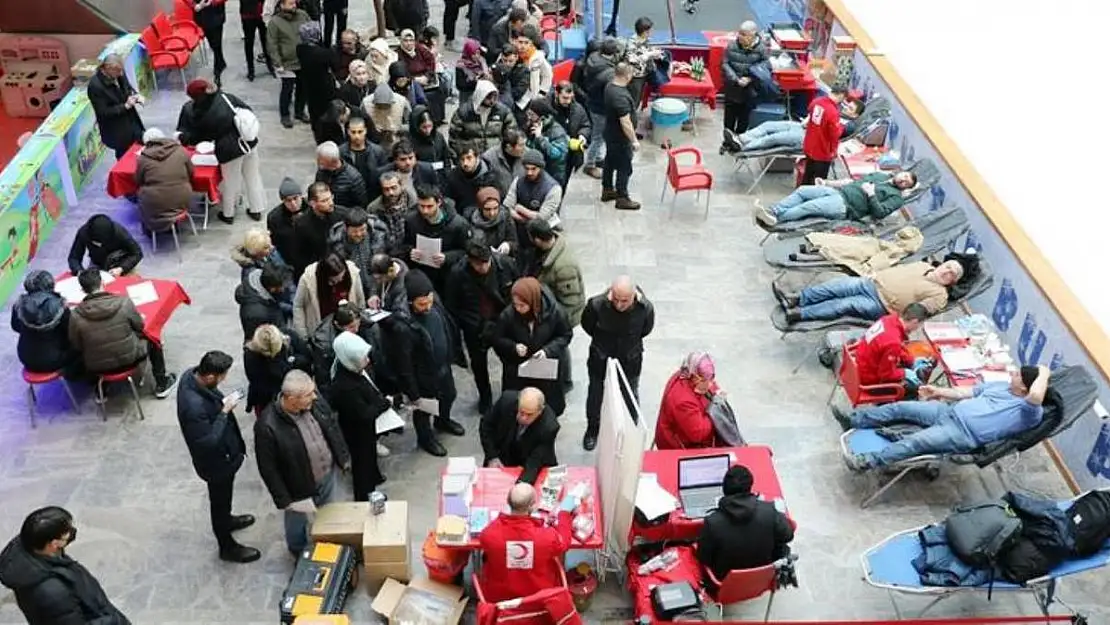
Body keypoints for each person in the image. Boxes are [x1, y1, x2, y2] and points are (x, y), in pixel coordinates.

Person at [840, 366, 1050, 471]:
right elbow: (965, 393)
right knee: (901, 407)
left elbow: (1035, 396)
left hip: (962, 434)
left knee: (916, 442)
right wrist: (937, 390)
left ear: (1024, 386)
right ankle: (855, 420)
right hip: (948, 411)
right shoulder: (1001, 386)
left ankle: (866, 462)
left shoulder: (1030, 412)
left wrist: (1044, 374)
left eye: (1017, 375)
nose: (1012, 373)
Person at [176, 351, 260, 563]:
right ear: (210, 376)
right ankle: (227, 546)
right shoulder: (194, 408)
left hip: (225, 455)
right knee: (219, 501)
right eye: (222, 376)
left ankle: (227, 519)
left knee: (224, 499)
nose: (224, 379)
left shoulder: (193, 377)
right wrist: (224, 411)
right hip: (215, 464)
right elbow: (208, 442)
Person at [255, 370, 351, 554]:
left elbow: (332, 428)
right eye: (308, 395)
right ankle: (297, 549)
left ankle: (326, 541)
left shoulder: (314, 403)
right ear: (291, 399)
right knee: (296, 521)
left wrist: (343, 457)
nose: (314, 397)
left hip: (327, 473)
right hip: (298, 485)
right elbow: (268, 469)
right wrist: (284, 500)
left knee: (328, 512)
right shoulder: (267, 426)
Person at [0, 506, 131, 623]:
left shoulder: (30, 545)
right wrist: (113, 620)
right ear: (53, 544)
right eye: (66, 533)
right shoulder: (54, 594)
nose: (71, 533)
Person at [68, 269, 178, 397]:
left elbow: (76, 344)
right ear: (102, 283)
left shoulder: (76, 315)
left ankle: (102, 389)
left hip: (96, 365)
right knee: (153, 340)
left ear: (82, 290)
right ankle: (161, 383)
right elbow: (140, 327)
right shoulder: (124, 303)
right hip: (129, 358)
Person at [394, 270, 467, 456]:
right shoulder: (403, 326)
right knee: (424, 411)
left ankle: (443, 421)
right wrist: (412, 392)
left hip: (443, 367)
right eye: (422, 304)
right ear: (411, 302)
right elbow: (403, 363)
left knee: (449, 395)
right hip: (423, 376)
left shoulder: (436, 307)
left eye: (429, 301)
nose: (427, 306)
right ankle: (426, 439)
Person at [581, 276, 654, 450]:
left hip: (630, 359)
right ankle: (593, 429)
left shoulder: (645, 308)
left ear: (633, 297)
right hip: (601, 357)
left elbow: (646, 329)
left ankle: (630, 429)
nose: (620, 305)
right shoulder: (596, 305)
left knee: (630, 394)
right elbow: (587, 325)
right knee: (595, 394)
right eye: (616, 299)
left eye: (625, 301)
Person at [179, 79, 265, 224]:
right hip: (248, 142)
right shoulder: (227, 97)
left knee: (230, 183)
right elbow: (247, 109)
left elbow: (198, 137)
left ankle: (228, 214)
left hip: (229, 150)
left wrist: (183, 138)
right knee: (253, 177)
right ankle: (256, 210)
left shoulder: (202, 114)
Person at [446, 242, 518, 411]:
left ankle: (508, 396)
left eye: (487, 262)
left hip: (502, 323)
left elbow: (517, 291)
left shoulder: (505, 264)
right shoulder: (458, 274)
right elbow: (452, 306)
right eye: (479, 264)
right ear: (470, 261)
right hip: (475, 329)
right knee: (478, 366)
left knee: (509, 361)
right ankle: (485, 397)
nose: (484, 267)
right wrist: (466, 324)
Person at [477, 482, 577, 603]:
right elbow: (564, 542)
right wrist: (564, 513)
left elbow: (484, 538)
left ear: (508, 502)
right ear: (532, 506)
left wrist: (502, 518)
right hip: (539, 599)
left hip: (501, 601)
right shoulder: (546, 538)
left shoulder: (490, 534)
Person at [777, 260, 963, 323]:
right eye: (947, 267)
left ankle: (799, 314)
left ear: (952, 281)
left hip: (882, 305)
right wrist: (876, 273)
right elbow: (898, 269)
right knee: (837, 285)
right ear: (942, 264)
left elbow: (919, 311)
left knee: (845, 304)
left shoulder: (940, 295)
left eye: (951, 274)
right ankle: (797, 298)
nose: (946, 272)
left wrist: (898, 318)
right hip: (872, 283)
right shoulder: (923, 265)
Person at [697, 465, 794, 583]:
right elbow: (788, 535)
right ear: (750, 487)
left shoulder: (712, 522)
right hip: (762, 580)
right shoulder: (770, 511)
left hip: (726, 583)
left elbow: (704, 558)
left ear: (724, 490)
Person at [493, 277, 572, 416]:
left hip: (545, 369)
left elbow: (565, 335)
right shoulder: (508, 315)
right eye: (515, 304)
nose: (517, 309)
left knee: (547, 406)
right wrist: (513, 347)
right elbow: (498, 339)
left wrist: (547, 350)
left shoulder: (555, 312)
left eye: (522, 305)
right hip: (519, 369)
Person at [328, 331, 390, 499]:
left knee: (368, 461)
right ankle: (365, 497)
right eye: (363, 358)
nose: (367, 361)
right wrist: (384, 405)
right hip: (357, 432)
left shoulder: (348, 369)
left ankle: (371, 485)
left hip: (362, 429)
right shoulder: (346, 387)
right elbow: (364, 414)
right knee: (363, 465)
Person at [755, 171, 918, 227]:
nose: (903, 180)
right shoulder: (880, 175)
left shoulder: (896, 198)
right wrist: (827, 182)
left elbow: (880, 213)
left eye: (906, 183)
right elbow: (851, 182)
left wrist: (871, 194)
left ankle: (775, 219)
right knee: (804, 190)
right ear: (900, 172)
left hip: (845, 206)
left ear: (906, 188)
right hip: (837, 192)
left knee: (809, 206)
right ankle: (773, 211)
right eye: (904, 176)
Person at [402, 184, 473, 294]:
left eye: (429, 206)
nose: (425, 211)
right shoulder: (411, 220)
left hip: (447, 277)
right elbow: (403, 244)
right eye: (421, 206)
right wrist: (410, 251)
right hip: (422, 274)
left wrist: (447, 257)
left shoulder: (458, 224)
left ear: (439, 203)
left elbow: (466, 251)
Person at [480, 387, 559, 483]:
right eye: (521, 412)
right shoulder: (506, 401)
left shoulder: (549, 427)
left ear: (540, 411)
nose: (523, 418)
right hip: (502, 454)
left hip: (531, 461)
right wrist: (492, 456)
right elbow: (486, 426)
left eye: (529, 414)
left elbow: (534, 462)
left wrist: (521, 486)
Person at [11, 271, 78, 376]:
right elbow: (72, 331)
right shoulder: (60, 306)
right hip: (54, 359)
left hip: (26, 357)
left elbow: (16, 327)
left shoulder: (19, 305)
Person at [729, 100, 864, 152]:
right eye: (847, 106)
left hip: (810, 139)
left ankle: (741, 147)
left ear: (855, 115)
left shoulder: (849, 125)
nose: (845, 108)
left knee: (774, 138)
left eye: (850, 109)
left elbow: (832, 134)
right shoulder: (835, 111)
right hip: (803, 127)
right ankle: (740, 138)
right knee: (768, 125)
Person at [853, 304, 933, 389]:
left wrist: (911, 361)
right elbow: (885, 375)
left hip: (862, 364)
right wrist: (904, 373)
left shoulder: (888, 319)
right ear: (915, 321)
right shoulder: (893, 342)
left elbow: (896, 348)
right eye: (919, 325)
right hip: (870, 380)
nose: (918, 328)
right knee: (916, 387)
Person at [655, 351, 721, 449]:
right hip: (676, 448)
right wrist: (717, 416)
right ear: (694, 376)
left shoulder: (685, 375)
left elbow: (711, 387)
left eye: (711, 378)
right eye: (705, 380)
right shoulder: (682, 400)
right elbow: (698, 433)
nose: (710, 384)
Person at [244, 324, 313, 416]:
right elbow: (260, 385)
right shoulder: (252, 357)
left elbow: (307, 358)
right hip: (273, 399)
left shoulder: (290, 337)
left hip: (293, 392)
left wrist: (292, 361)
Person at [293, 252, 367, 338]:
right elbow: (298, 306)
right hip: (322, 331)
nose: (338, 282)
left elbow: (360, 300)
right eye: (332, 281)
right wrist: (303, 335)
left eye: (341, 278)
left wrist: (360, 324)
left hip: (348, 329)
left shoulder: (352, 272)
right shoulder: (308, 279)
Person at [134, 128, 194, 234]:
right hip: (182, 200)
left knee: (140, 195)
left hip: (155, 203)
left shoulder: (143, 158)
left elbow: (138, 181)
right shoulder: (181, 150)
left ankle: (151, 228)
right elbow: (191, 173)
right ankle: (173, 223)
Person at [526, 220, 584, 328]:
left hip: (559, 318)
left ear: (537, 240)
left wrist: (555, 326)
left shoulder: (564, 268)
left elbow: (570, 303)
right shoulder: (543, 250)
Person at [86, 54, 144, 160]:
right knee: (124, 157)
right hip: (117, 129)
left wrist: (135, 95)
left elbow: (127, 86)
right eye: (118, 71)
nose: (121, 74)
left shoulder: (118, 72)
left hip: (132, 121)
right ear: (108, 68)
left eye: (121, 70)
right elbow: (103, 112)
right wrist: (125, 106)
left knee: (141, 147)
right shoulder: (95, 86)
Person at [720, 21, 767, 147]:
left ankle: (739, 143)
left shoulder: (761, 49)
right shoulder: (731, 46)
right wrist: (735, 79)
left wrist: (750, 78)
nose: (740, 36)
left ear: (753, 35)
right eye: (739, 33)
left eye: (744, 34)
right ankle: (727, 142)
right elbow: (725, 64)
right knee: (729, 119)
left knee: (744, 119)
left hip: (750, 90)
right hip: (732, 88)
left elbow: (766, 66)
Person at [601, 63, 641, 210]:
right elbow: (625, 123)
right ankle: (622, 197)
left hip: (610, 133)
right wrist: (634, 140)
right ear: (627, 76)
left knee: (610, 162)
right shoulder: (620, 97)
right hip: (620, 138)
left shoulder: (609, 87)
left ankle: (607, 189)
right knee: (625, 167)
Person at [580, 38, 619, 178]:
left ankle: (598, 158)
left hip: (592, 102)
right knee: (598, 137)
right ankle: (589, 164)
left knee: (599, 135)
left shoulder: (592, 58)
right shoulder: (609, 72)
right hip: (601, 107)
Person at [268, 0, 311, 128]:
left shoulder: (303, 15)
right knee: (287, 90)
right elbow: (272, 44)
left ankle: (299, 112)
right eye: (290, 3)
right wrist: (277, 62)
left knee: (303, 88)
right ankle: (285, 115)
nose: (294, 5)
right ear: (282, 5)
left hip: (303, 60)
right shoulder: (275, 22)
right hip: (286, 63)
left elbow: (311, 32)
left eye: (294, 3)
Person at [296, 21, 341, 142]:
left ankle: (318, 137)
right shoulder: (324, 54)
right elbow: (335, 65)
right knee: (328, 113)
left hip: (309, 86)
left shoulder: (300, 49)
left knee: (314, 113)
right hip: (325, 88)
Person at [506, 150, 563, 244]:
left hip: (543, 236)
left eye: (533, 169)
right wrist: (524, 219)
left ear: (541, 168)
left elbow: (541, 217)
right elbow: (507, 207)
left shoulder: (553, 188)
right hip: (520, 232)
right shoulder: (518, 180)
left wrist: (520, 209)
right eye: (526, 168)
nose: (529, 172)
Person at [448, 79, 516, 156]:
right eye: (489, 98)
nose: (492, 101)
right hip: (472, 158)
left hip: (495, 157)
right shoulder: (464, 113)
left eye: (495, 97)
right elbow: (454, 138)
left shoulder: (503, 112)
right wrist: (459, 157)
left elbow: (512, 133)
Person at [292, 181, 346, 278]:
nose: (331, 203)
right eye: (324, 201)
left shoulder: (342, 214)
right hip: (317, 271)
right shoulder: (301, 224)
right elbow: (300, 255)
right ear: (312, 203)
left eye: (331, 198)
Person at [801, 84, 850, 186]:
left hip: (810, 145)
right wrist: (842, 127)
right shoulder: (832, 112)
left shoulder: (816, 101)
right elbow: (835, 135)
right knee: (819, 181)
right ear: (841, 95)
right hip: (823, 150)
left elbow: (810, 112)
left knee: (808, 174)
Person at [329, 207, 388, 287]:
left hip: (378, 284)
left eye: (362, 229)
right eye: (354, 231)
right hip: (352, 286)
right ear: (346, 228)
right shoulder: (337, 243)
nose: (359, 234)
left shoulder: (378, 235)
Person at [67, 214, 143, 277]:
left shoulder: (119, 233)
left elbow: (137, 253)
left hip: (121, 262)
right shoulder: (83, 233)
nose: (100, 245)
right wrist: (80, 272)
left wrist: (121, 268)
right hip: (97, 263)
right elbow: (74, 257)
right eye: (97, 243)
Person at [549, 81, 591, 190]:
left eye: (570, 98)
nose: (568, 101)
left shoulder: (578, 109)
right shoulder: (548, 107)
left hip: (570, 155)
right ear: (557, 94)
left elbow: (585, 125)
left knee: (563, 184)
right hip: (551, 154)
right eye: (564, 98)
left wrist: (583, 135)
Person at [397, 29, 445, 123]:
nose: (409, 43)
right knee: (419, 94)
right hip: (411, 81)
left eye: (411, 40)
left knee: (440, 87)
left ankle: (437, 118)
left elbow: (430, 61)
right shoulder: (398, 54)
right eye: (406, 41)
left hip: (425, 77)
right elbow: (401, 72)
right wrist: (414, 79)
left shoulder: (420, 49)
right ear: (401, 41)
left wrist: (427, 76)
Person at [446, 142, 508, 212]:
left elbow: (501, 201)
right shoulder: (453, 177)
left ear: (477, 158)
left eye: (469, 158)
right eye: (462, 159)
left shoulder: (492, 177)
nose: (465, 163)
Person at [237, 263, 291, 340]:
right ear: (272, 288)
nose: (284, 289)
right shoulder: (258, 313)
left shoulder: (255, 281)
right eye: (281, 286)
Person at [340, 117, 388, 203]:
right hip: (350, 198)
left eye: (360, 132)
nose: (356, 136)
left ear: (365, 131)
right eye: (353, 132)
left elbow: (384, 175)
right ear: (348, 132)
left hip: (372, 196)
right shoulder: (341, 152)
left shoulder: (377, 151)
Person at [622, 17, 663, 113]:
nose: (652, 32)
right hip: (635, 76)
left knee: (639, 97)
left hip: (644, 73)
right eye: (650, 30)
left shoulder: (645, 40)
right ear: (644, 31)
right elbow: (632, 60)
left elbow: (645, 52)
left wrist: (654, 54)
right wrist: (649, 55)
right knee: (634, 100)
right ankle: (629, 119)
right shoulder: (632, 43)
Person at [523, 98, 568, 182]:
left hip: (553, 175)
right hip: (535, 173)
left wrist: (540, 138)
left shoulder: (557, 131)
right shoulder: (532, 126)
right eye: (528, 114)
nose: (529, 117)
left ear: (542, 117)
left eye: (532, 115)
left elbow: (557, 154)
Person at [370, 172, 415, 256]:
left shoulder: (413, 203)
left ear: (401, 186)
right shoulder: (374, 208)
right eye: (386, 189)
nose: (390, 192)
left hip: (410, 249)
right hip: (387, 251)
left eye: (394, 188)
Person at [316, 141, 369, 209]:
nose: (318, 161)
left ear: (331, 162)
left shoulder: (353, 178)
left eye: (320, 160)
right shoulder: (322, 171)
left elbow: (361, 205)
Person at [409, 105, 454, 186]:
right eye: (424, 127)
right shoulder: (411, 142)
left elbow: (446, 156)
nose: (428, 131)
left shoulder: (438, 136)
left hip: (441, 177)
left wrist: (447, 174)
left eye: (430, 126)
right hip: (423, 180)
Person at [268, 177, 305, 267]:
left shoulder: (312, 209)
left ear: (301, 196)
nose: (293, 203)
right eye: (288, 200)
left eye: (295, 198)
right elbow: (274, 242)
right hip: (288, 259)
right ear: (283, 201)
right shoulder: (274, 217)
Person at [470, 187, 518, 254]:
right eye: (487, 209)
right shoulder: (472, 221)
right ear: (480, 208)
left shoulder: (505, 216)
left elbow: (515, 242)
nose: (492, 213)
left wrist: (508, 245)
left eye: (495, 208)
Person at [194, 0, 228, 86]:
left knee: (216, 42)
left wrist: (212, 2)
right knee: (212, 43)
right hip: (202, 15)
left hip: (217, 13)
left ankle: (217, 71)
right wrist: (195, 5)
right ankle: (221, 61)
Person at [515, 26, 552, 105]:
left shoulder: (537, 57)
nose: (522, 46)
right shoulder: (512, 53)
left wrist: (541, 93)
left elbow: (547, 75)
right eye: (520, 42)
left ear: (531, 43)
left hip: (532, 96)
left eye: (526, 43)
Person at [485, 127, 527, 195]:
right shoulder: (489, 158)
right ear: (509, 147)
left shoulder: (529, 154)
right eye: (521, 145)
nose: (524, 148)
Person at [491, 44, 530, 116]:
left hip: (517, 105)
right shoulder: (497, 67)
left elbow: (518, 92)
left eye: (510, 61)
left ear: (516, 57)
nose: (507, 64)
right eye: (505, 60)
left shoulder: (523, 71)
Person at [241, 0, 274, 81]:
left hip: (263, 13)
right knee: (249, 42)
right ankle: (251, 70)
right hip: (248, 14)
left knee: (266, 41)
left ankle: (270, 65)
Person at [455, 39, 491, 104]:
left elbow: (487, 73)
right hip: (466, 97)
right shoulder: (461, 66)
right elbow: (460, 85)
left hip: (479, 95)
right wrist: (475, 81)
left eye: (478, 53)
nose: (477, 55)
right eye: (474, 53)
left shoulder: (482, 61)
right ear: (468, 53)